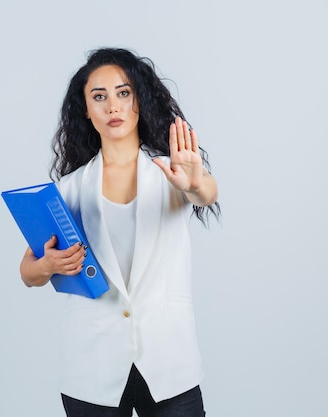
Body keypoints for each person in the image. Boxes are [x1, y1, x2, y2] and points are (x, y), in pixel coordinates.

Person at [19, 47, 220, 417]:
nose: (113, 106)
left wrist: (196, 183)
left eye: (123, 93)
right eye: (99, 97)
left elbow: (206, 193)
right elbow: (28, 272)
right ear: (86, 110)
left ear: (138, 102)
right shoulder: (69, 189)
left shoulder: (171, 171)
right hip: (91, 366)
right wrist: (48, 264)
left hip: (168, 362)